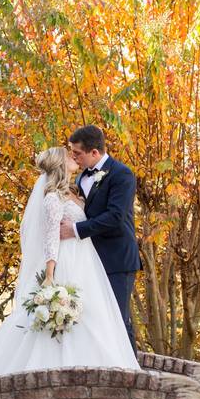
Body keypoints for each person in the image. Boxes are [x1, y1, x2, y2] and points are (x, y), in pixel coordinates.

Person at [0, 146, 139, 382]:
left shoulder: (74, 191)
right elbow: (51, 239)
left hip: (87, 262)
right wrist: (50, 275)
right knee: (74, 316)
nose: (74, 157)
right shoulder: (52, 198)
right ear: (59, 165)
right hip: (69, 262)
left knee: (96, 317)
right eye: (68, 156)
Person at [60, 125, 141, 352]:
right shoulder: (80, 179)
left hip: (116, 259)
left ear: (94, 152)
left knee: (118, 318)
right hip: (89, 260)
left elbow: (115, 216)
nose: (73, 157)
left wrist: (75, 230)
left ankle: (132, 373)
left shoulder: (121, 174)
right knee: (97, 321)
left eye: (78, 153)